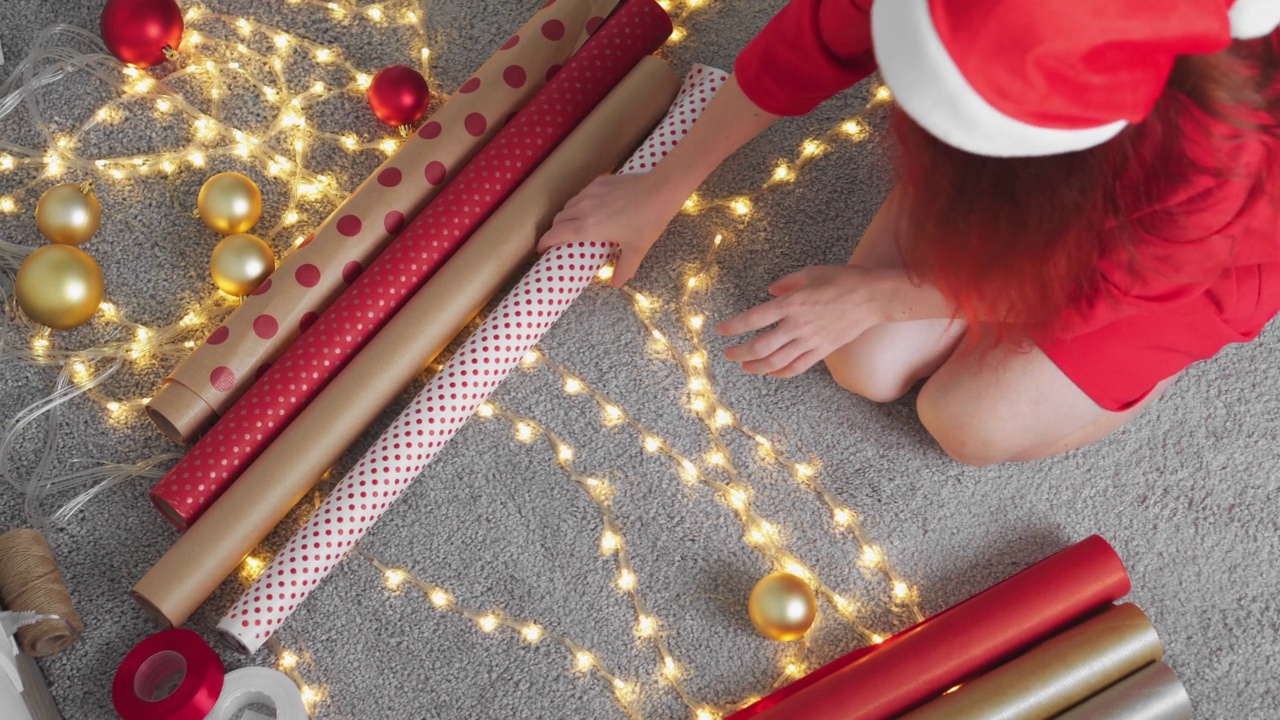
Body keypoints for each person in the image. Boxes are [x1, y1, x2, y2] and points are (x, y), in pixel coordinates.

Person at [537, 0, 1280, 466]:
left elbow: (1112, 285)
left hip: (1188, 268)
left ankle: (1133, 375)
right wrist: (662, 185)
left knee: (968, 421)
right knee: (864, 365)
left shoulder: (1225, 142)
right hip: (1073, 182)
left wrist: (882, 298)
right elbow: (816, 38)